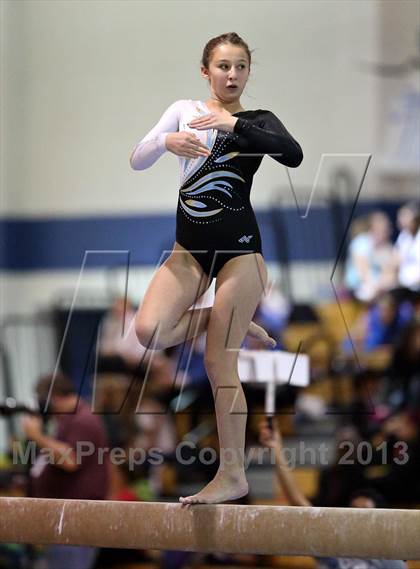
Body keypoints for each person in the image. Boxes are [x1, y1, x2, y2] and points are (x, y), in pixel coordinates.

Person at [129, 32, 303, 506]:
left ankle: (233, 475)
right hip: (189, 252)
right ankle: (231, 318)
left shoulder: (255, 120)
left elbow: (292, 153)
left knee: (217, 359)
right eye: (223, 66)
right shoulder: (184, 109)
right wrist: (167, 140)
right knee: (149, 331)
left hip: (240, 257)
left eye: (240, 67)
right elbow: (137, 158)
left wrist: (232, 125)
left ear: (248, 72)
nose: (232, 74)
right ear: (205, 70)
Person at [258, 418, 407, 568]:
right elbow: (299, 504)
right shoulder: (335, 548)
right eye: (355, 512)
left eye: (365, 515)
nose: (359, 519)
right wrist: (276, 449)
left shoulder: (389, 559)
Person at [22, 373, 109, 569]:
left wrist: (36, 436)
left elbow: (70, 460)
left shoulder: (83, 421)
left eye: (47, 404)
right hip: (64, 517)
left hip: (76, 518)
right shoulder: (68, 421)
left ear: (56, 397)